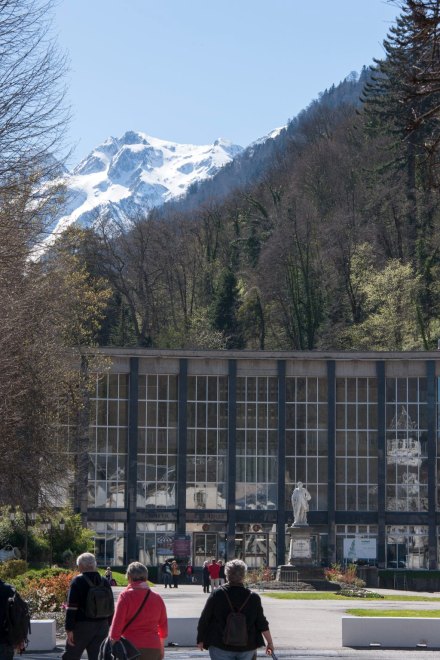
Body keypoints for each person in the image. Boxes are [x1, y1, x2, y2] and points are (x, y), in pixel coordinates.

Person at [197, 559, 275, 660]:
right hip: (247, 646)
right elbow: (262, 623)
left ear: (226, 575)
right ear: (244, 576)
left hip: (220, 645)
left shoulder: (217, 594)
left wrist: (200, 639)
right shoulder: (253, 598)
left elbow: (205, 618)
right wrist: (270, 643)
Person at [109, 561, 167, 660]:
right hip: (153, 647)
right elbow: (163, 627)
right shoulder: (157, 598)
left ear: (129, 577)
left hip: (129, 647)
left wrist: (110, 646)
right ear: (146, 577)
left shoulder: (125, 596)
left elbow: (117, 625)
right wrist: (161, 648)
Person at [63, 552, 111, 660]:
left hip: (82, 626)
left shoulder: (78, 581)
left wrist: (69, 628)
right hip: (102, 625)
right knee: (97, 657)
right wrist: (108, 624)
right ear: (94, 564)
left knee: (71, 656)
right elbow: (110, 605)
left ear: (80, 565)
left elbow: (72, 607)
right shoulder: (104, 581)